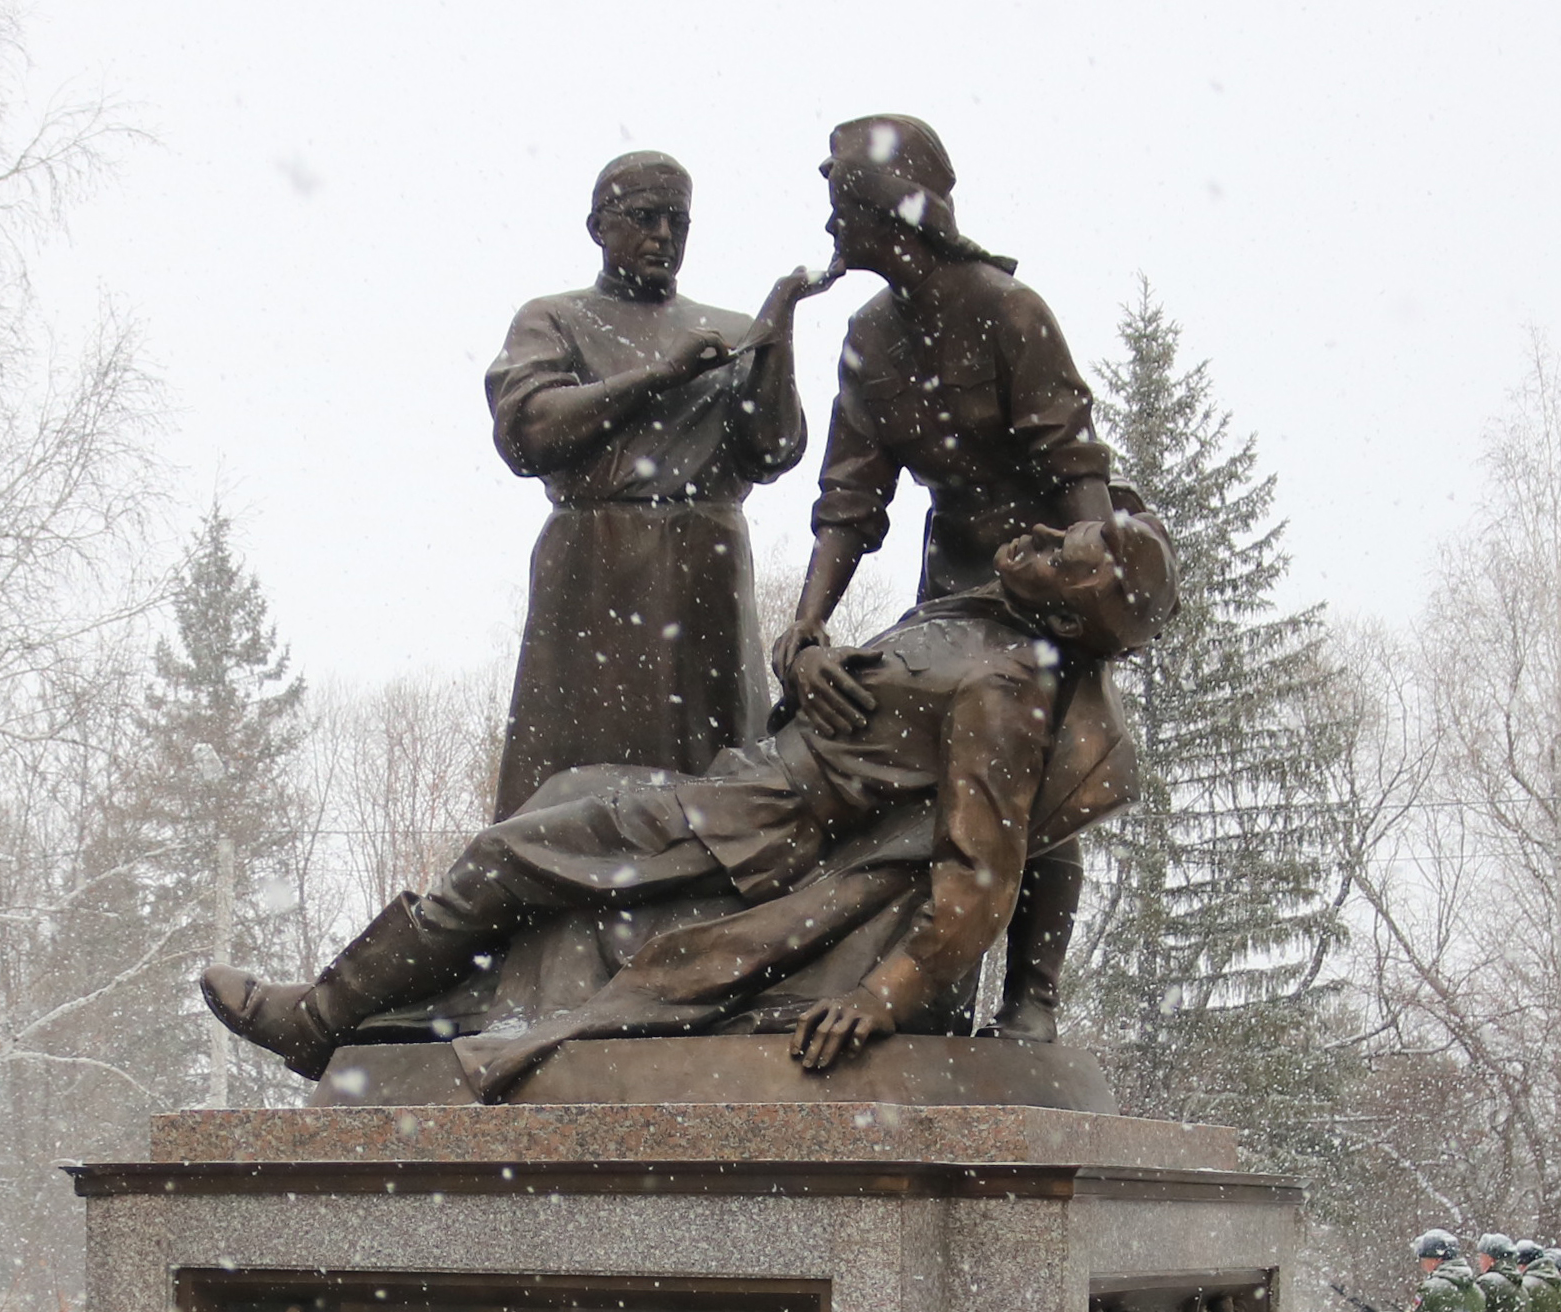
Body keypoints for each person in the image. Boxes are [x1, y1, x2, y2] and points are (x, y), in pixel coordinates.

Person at [203, 510, 1173, 1097]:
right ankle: (405, 1015)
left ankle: (321, 1019)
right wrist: (807, 652)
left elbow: (980, 877)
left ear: (1070, 610)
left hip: (756, 828)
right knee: (562, 799)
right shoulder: (978, 618)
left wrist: (882, 999)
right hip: (741, 782)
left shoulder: (1004, 693)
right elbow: (858, 702)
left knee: (506, 855)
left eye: (1071, 555)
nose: (1045, 540)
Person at [783, 115, 1117, 1040]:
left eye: (837, 206)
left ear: (883, 207)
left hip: (1046, 570)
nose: (828, 230)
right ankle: (930, 990)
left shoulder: (1010, 311)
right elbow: (849, 505)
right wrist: (806, 628)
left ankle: (1032, 997)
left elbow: (1076, 467)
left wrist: (1086, 595)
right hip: (950, 583)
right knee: (916, 763)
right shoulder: (868, 337)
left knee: (1036, 766)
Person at [485, 151, 813, 815]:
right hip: (598, 571)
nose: (663, 235)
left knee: (719, 790)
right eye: (644, 217)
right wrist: (658, 376)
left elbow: (774, 451)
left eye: (677, 222)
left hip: (707, 576)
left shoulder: (727, 329)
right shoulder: (554, 319)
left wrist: (776, 337)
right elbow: (528, 431)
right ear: (597, 227)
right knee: (573, 791)